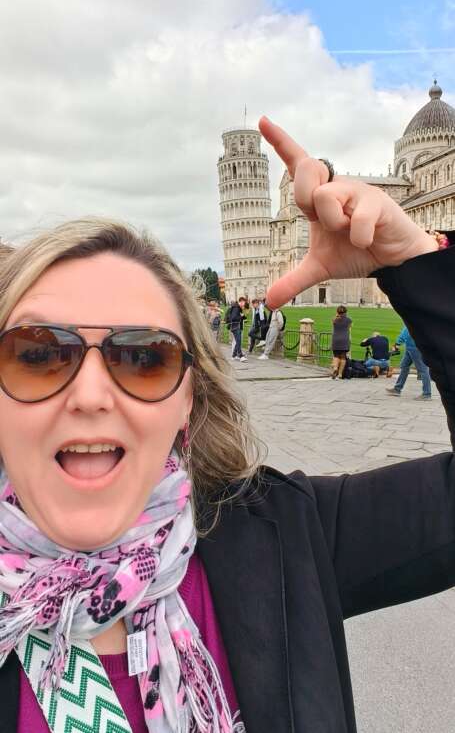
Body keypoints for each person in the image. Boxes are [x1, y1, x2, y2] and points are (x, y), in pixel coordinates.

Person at [0, 119, 452, 733]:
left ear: (189, 396)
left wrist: (416, 264)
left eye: (143, 357)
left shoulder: (289, 536)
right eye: (37, 353)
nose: (89, 395)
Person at [386, 324, 432, 400]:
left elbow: (406, 332)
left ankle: (427, 394)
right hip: (411, 346)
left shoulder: (411, 319)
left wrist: (397, 343)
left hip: (414, 347)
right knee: (404, 366)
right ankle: (397, 389)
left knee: (423, 370)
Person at [331, 305, 352, 379]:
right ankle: (340, 374)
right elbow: (349, 328)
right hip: (345, 339)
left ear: (337, 312)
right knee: (343, 357)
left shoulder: (334, 320)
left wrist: (337, 315)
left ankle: (335, 368)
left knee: (336, 355)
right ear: (345, 312)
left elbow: (334, 321)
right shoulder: (349, 320)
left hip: (336, 339)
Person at [227, 296, 247, 362]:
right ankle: (240, 356)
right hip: (235, 326)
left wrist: (243, 316)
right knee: (238, 341)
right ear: (241, 302)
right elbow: (234, 317)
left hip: (236, 326)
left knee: (238, 341)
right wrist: (241, 316)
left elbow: (239, 317)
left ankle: (234, 355)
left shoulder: (238, 308)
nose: (244, 304)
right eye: (244, 302)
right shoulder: (236, 308)